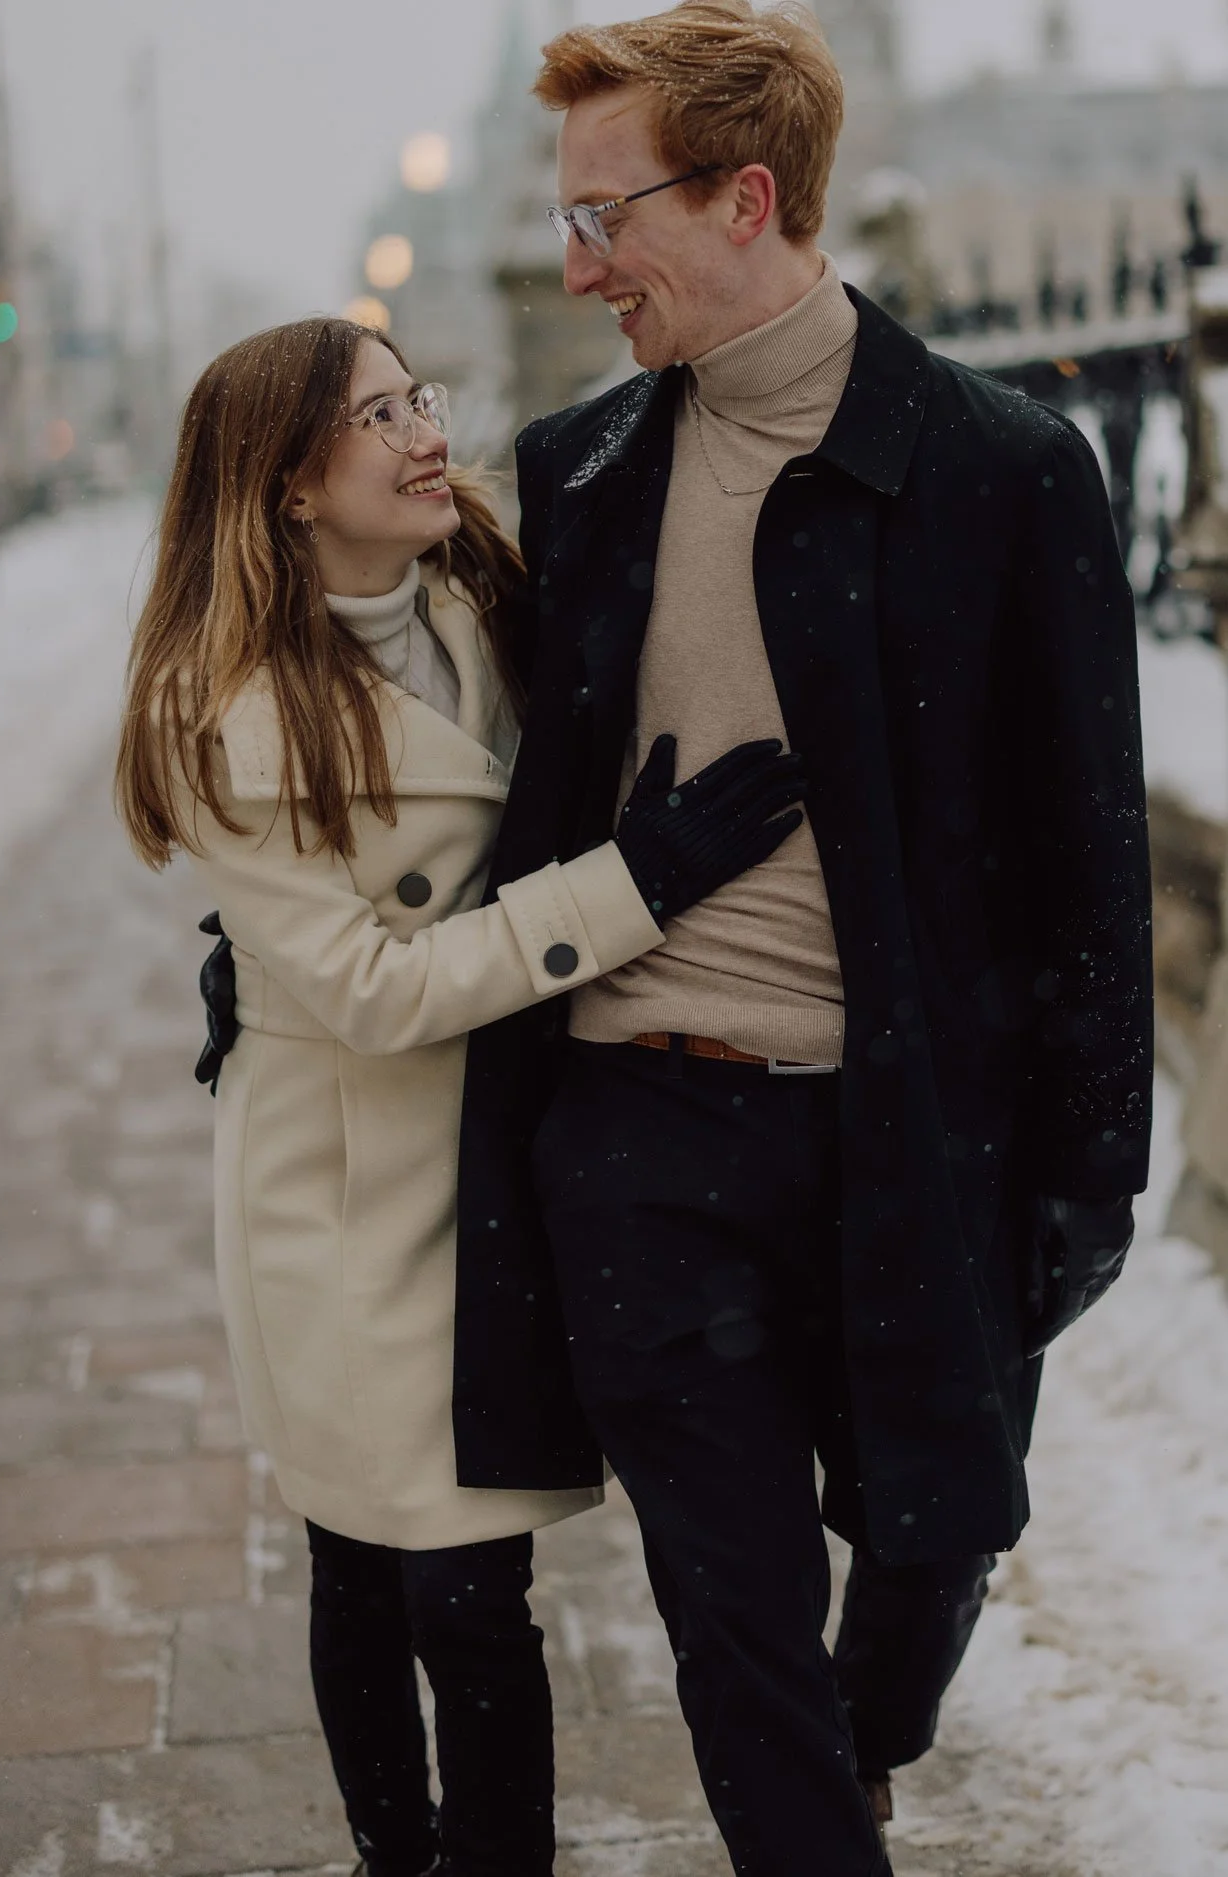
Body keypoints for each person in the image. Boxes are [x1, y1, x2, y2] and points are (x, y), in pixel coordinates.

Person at [443, 5, 1153, 1874]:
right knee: (735, 1619)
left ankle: (869, 1744)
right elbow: (490, 763)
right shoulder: (581, 471)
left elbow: (1090, 853)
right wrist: (313, 915)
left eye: (605, 219)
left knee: (930, 1550)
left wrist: (1090, 1176)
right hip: (641, 1137)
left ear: (747, 198)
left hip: (911, 1132)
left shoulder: (1002, 469)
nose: (578, 268)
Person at [113, 314, 805, 1877]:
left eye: (417, 396)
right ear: (290, 485)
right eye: (378, 416)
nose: (428, 431)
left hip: (505, 1148)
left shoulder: (490, 591)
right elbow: (373, 990)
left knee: (474, 1589)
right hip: (349, 1176)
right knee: (384, 1561)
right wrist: (636, 886)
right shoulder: (223, 718)